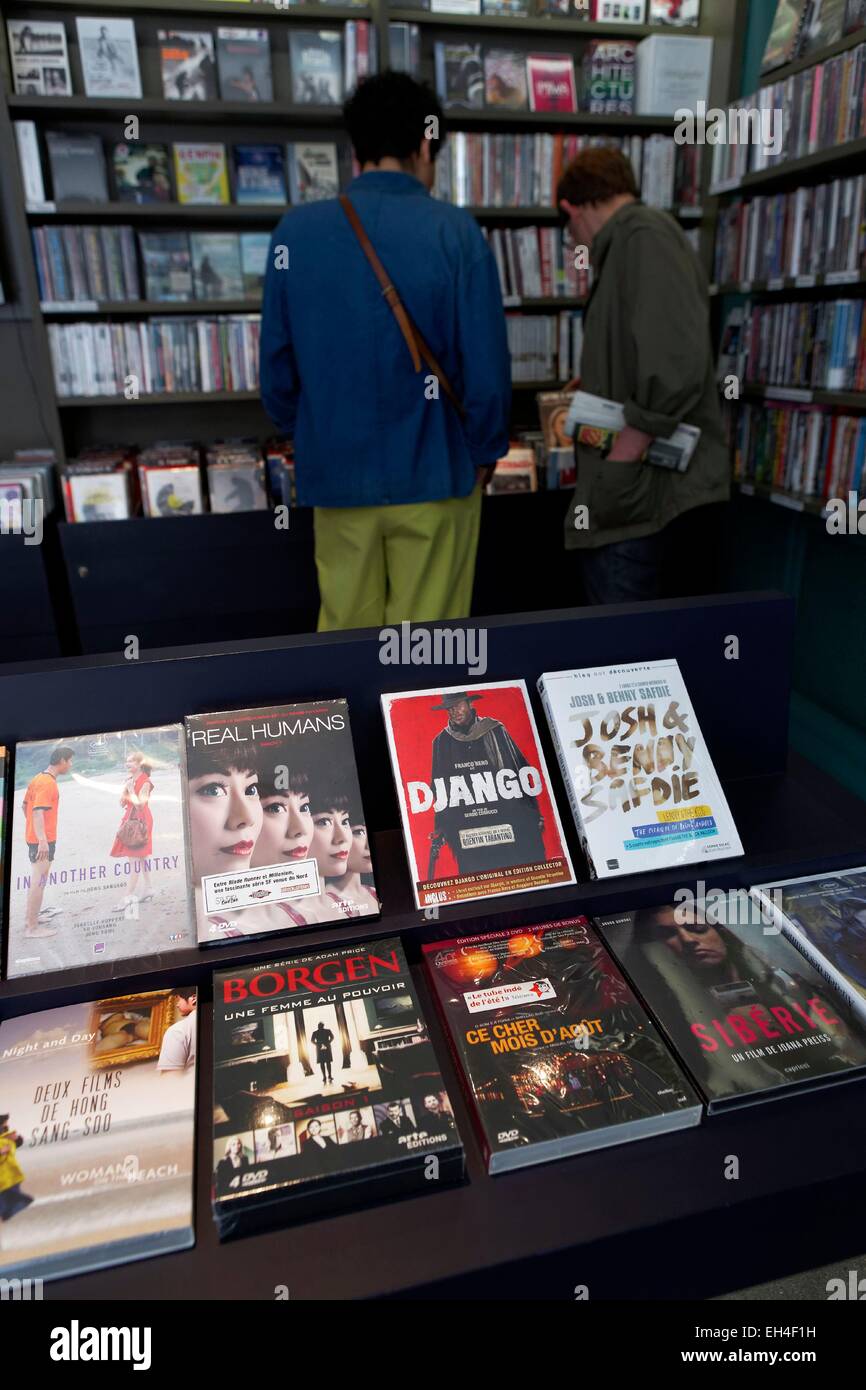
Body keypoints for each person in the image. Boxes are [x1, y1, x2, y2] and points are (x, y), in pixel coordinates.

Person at [260, 71, 511, 631]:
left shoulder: (294, 234)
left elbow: (277, 374)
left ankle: (355, 722)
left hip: (336, 475)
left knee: (345, 635)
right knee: (430, 644)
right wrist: (485, 451)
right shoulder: (457, 233)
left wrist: (308, 425)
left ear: (356, 150)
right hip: (437, 475)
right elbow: (487, 372)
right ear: (426, 145)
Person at [557, 147, 729, 604]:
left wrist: (621, 463)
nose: (574, 241)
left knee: (625, 659)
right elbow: (653, 349)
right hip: (642, 496)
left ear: (570, 208)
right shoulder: (636, 240)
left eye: (568, 230)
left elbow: (673, 368)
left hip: (644, 499)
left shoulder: (643, 237)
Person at [428, 691, 545, 877]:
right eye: (449, 708)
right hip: (467, 824)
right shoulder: (441, 742)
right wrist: (440, 826)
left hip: (504, 815)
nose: (454, 711)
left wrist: (534, 811)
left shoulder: (495, 730)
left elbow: (519, 771)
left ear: (469, 704)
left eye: (458, 705)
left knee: (517, 871)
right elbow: (439, 788)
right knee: (477, 877)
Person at [22, 743, 74, 938]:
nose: (70, 765)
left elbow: (24, 806)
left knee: (38, 880)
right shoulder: (47, 783)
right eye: (70, 761)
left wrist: (33, 833)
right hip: (42, 841)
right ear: (61, 761)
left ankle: (32, 918)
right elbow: (36, 812)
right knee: (39, 881)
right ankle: (32, 927)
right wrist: (42, 839)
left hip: (35, 838)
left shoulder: (38, 778)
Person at [110, 750, 155, 910]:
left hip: (140, 822)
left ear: (140, 764)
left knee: (134, 860)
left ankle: (127, 898)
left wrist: (131, 789)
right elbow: (124, 802)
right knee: (140, 858)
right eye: (127, 761)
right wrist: (126, 792)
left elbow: (140, 805)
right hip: (130, 819)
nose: (127, 764)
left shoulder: (146, 782)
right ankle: (149, 888)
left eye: (131, 761)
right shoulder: (130, 780)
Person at [0, 1115, 34, 1222]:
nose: (7, 1125)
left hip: (11, 1177)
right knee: (15, 1199)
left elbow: (13, 1145)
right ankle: (6, 1213)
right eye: (4, 1124)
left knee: (12, 1199)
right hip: (5, 1179)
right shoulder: (4, 1139)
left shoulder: (6, 1137)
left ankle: (7, 1214)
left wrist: (17, 1140)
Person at [156, 988, 197, 1071]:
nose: (177, 1005)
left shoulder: (177, 1030)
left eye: (178, 1000)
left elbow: (170, 1078)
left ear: (194, 999)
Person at [310, 1020, 335, 1085]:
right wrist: (327, 1042)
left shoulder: (315, 1032)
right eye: (319, 1026)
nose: (320, 1027)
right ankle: (327, 1076)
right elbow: (332, 1037)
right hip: (324, 1048)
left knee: (325, 1063)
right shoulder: (327, 1031)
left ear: (321, 1026)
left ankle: (327, 1076)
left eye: (320, 1026)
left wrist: (318, 1044)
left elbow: (312, 1041)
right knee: (325, 1063)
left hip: (321, 1049)